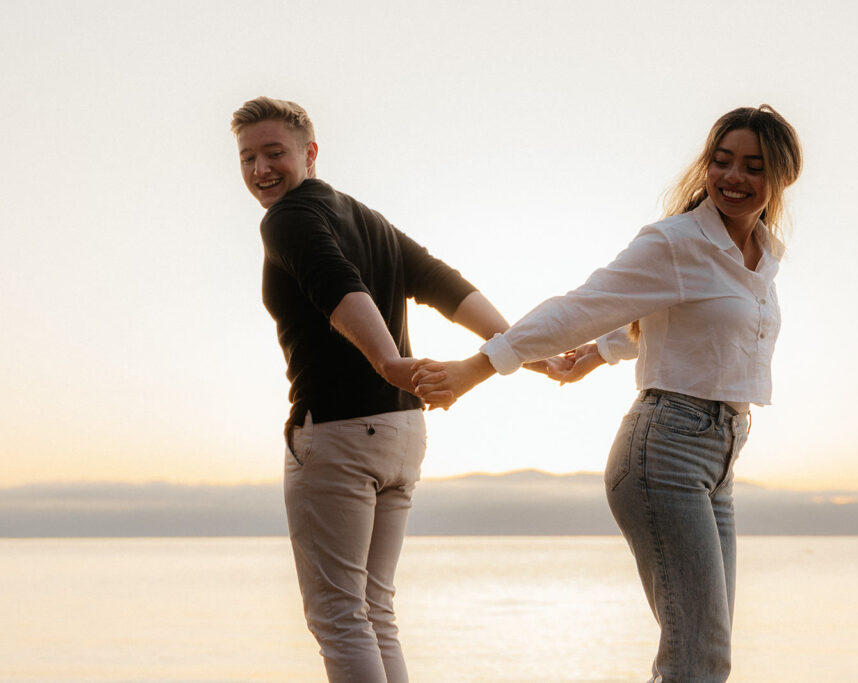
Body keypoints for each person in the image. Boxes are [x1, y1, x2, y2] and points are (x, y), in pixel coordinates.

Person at [412, 105, 802, 682]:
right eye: (722, 162)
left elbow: (666, 313)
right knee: (697, 658)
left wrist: (599, 354)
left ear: (781, 177)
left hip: (719, 458)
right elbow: (586, 305)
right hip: (665, 452)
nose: (733, 178)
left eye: (753, 166)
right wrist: (482, 365)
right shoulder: (676, 241)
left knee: (703, 655)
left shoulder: (763, 255)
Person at [230, 96, 559, 682]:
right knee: (373, 610)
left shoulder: (287, 218)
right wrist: (518, 346)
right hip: (403, 435)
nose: (261, 169)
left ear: (309, 153)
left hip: (337, 432)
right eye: (248, 157)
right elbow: (441, 281)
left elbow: (340, 286)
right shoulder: (364, 218)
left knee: (338, 615)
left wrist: (388, 362)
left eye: (274, 153)